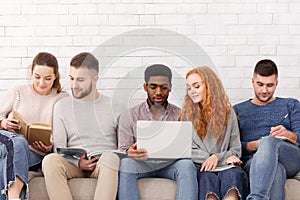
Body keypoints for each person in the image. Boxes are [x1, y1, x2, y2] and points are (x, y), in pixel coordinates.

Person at [42, 52, 123, 200]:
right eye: (71, 79)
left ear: (95, 80)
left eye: (80, 80)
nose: (74, 85)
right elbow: (59, 147)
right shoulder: (61, 106)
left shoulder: (115, 106)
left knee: (111, 159)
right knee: (50, 160)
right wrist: (78, 162)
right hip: (73, 163)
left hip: (103, 164)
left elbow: (123, 147)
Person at [118, 64, 198, 200]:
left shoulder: (181, 115)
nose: (158, 92)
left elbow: (189, 148)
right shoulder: (129, 115)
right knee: (126, 164)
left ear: (170, 87)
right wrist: (129, 153)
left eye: (164, 87)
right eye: (153, 87)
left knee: (187, 165)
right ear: (145, 87)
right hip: (142, 164)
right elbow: (122, 150)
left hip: (170, 165)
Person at [0, 52, 68, 200]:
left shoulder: (61, 99)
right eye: (37, 77)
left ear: (56, 76)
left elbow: (64, 133)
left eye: (48, 78)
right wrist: (3, 122)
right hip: (6, 143)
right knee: (19, 141)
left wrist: (49, 147)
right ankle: (14, 197)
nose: (42, 82)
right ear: (31, 73)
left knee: (7, 160)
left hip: (34, 154)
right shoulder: (18, 91)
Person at [233, 59, 300, 200]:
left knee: (270, 142)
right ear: (252, 82)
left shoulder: (291, 104)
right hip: (254, 160)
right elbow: (234, 147)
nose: (264, 90)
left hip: (290, 157)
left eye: (270, 85)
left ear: (277, 84)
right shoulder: (238, 110)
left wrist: (288, 134)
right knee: (276, 171)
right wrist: (256, 145)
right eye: (260, 84)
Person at [179, 66, 248, 200]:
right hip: (202, 167)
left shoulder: (228, 114)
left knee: (233, 175)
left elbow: (236, 150)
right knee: (206, 178)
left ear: (209, 87)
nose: (192, 91)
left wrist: (216, 157)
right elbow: (187, 149)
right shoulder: (186, 116)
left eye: (196, 86)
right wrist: (212, 158)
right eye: (189, 88)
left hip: (227, 167)